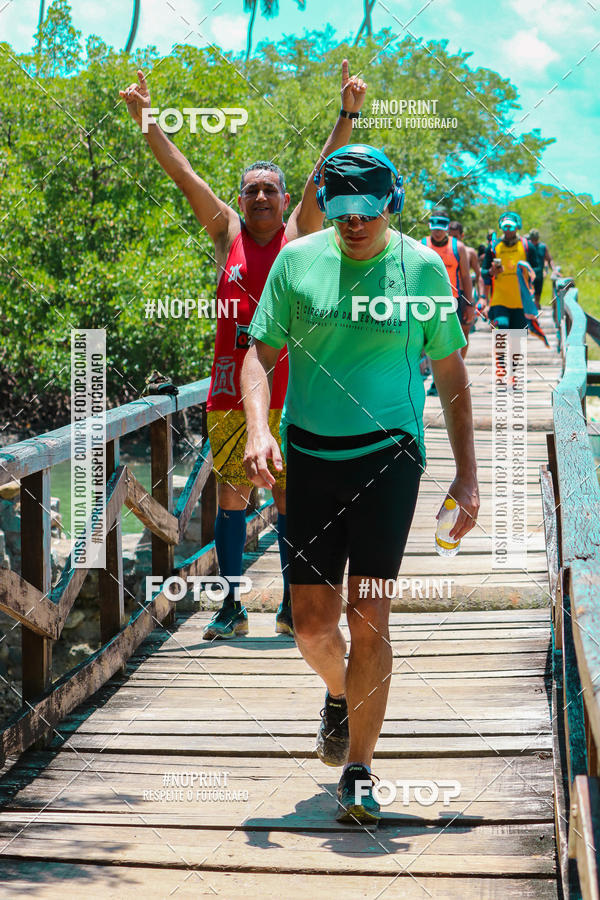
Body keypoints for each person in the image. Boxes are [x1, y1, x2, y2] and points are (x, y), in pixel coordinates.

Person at [240, 144, 479, 826]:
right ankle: (342, 695)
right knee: (312, 626)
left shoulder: (423, 268)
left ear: (390, 205)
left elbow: (454, 377)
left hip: (390, 456)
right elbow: (259, 356)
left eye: (366, 213)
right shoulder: (298, 259)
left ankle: (359, 770)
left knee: (368, 613)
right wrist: (259, 429)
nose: (353, 226)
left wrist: (466, 474)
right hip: (310, 456)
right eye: (341, 212)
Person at [120, 63, 367, 640]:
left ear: (284, 199)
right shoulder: (227, 232)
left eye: (269, 189)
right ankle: (231, 609)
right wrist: (147, 119)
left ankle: (290, 608)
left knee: (288, 498)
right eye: (251, 189)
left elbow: (321, 171)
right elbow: (183, 174)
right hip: (231, 393)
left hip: (294, 394)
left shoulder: (300, 233)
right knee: (230, 496)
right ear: (240, 198)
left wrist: (347, 114)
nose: (260, 196)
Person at [421, 209, 475, 366]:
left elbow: (466, 276)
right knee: (431, 342)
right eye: (435, 227)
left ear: (447, 227)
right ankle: (435, 379)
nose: (438, 232)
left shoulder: (458, 247)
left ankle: (452, 376)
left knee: (451, 343)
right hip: (428, 301)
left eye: (442, 227)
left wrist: (470, 304)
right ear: (430, 226)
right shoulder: (421, 245)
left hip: (453, 301)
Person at [483, 212, 539, 330]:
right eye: (505, 227)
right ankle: (500, 348)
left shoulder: (527, 246)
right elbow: (483, 272)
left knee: (518, 344)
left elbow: (538, 269)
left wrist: (528, 271)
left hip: (521, 302)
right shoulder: (493, 247)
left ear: (517, 227)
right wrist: (490, 272)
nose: (507, 230)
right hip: (499, 301)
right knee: (501, 334)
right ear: (501, 227)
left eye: (511, 227)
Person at [448, 220, 485, 322]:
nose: (452, 240)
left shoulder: (470, 252)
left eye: (455, 237)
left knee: (464, 331)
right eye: (449, 236)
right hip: (446, 294)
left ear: (462, 236)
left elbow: (479, 275)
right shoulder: (441, 251)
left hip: (464, 295)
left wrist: (481, 296)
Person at [528, 228, 555, 308]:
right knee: (529, 289)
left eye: (535, 238)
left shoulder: (543, 246)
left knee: (538, 290)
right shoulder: (527, 246)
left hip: (539, 273)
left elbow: (549, 259)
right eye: (533, 238)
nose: (534, 240)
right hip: (529, 272)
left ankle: (536, 304)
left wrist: (554, 270)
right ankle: (531, 305)